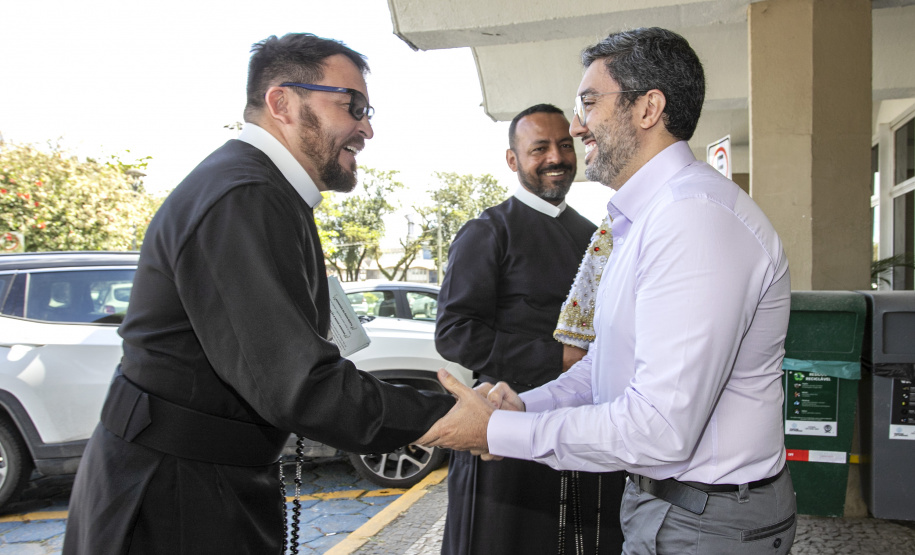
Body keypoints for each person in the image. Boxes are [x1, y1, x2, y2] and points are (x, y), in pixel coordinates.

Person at [63, 33, 454, 555]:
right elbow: (301, 386)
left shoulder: (264, 191)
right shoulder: (244, 196)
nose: (367, 127)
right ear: (281, 103)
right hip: (174, 501)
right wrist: (449, 417)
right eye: (351, 105)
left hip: (207, 483)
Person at [420, 27, 797, 555]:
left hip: (706, 520)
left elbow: (660, 427)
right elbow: (605, 368)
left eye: (589, 103)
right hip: (668, 506)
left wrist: (500, 434)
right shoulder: (640, 220)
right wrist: (523, 408)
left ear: (649, 108)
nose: (577, 126)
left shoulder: (694, 220)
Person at [434, 104, 624, 555]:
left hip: (581, 428)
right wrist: (557, 357)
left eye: (564, 144)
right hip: (505, 431)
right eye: (539, 148)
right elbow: (455, 333)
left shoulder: (593, 235)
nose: (556, 157)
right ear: (513, 159)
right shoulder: (487, 231)